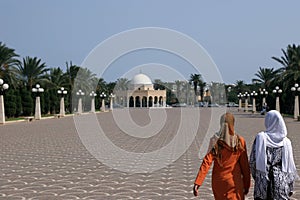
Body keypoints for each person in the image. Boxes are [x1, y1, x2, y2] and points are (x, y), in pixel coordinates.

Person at [193, 112, 251, 200]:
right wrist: (247, 185)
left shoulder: (215, 141)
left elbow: (207, 162)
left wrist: (198, 182)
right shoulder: (239, 141)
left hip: (218, 182)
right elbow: (245, 167)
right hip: (234, 182)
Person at [250, 110, 298, 200]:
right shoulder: (286, 142)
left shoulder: (261, 138)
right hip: (281, 182)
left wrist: (257, 176)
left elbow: (253, 161)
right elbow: (290, 166)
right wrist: (290, 186)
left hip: (263, 181)